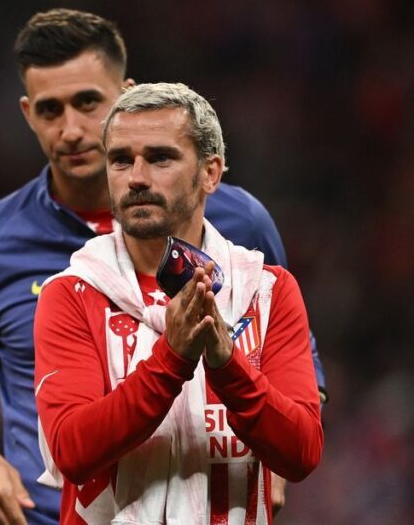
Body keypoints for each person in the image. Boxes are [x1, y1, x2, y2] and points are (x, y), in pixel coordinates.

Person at [0, 9, 326, 525]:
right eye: (51, 110)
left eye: (87, 103)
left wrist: (272, 451)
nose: (71, 130)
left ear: (125, 94)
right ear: (28, 113)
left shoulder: (240, 224)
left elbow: (296, 369)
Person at [34, 82, 323, 523]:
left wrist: (227, 365)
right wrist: (172, 360)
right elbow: (72, 450)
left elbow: (301, 453)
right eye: (120, 160)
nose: (136, 177)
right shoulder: (73, 293)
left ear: (210, 173)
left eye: (160, 158)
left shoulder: (266, 291)